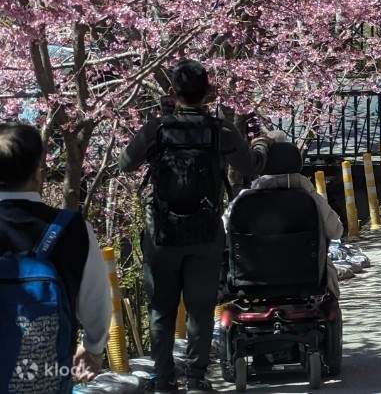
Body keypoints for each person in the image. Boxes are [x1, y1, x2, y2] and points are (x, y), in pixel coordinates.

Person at [119, 60, 265, 394]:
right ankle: (197, 378)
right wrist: (260, 146)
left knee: (161, 309)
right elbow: (248, 167)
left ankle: (164, 380)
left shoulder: (157, 128)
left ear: (173, 92)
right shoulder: (219, 130)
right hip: (205, 231)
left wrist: (157, 125)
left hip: (162, 232)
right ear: (208, 93)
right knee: (200, 308)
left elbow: (125, 163)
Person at [0, 123, 112, 391]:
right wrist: (93, 347)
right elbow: (96, 302)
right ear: (38, 170)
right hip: (44, 378)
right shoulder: (72, 228)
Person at [223, 135, 344, 296]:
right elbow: (336, 231)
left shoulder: (242, 200)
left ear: (263, 165)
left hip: (250, 280)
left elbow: (224, 231)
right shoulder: (312, 198)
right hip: (306, 279)